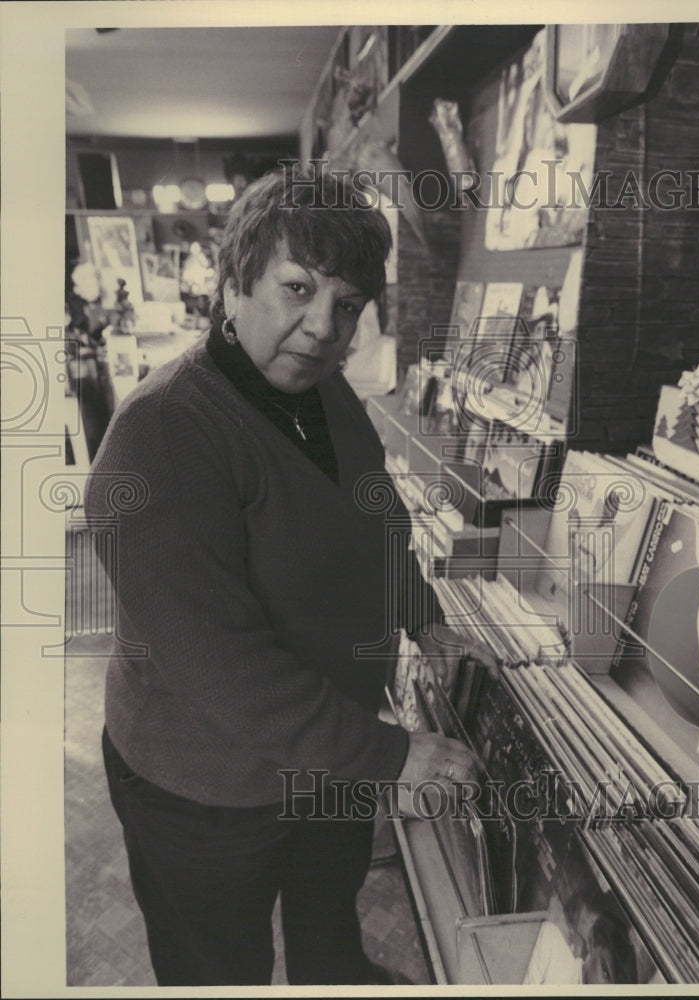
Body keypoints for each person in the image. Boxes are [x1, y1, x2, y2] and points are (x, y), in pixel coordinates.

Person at [85, 169, 495, 987]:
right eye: (297, 289)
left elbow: (374, 519)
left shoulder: (325, 394)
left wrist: (421, 614)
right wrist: (387, 755)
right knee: (215, 967)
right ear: (235, 283)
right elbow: (221, 668)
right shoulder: (162, 434)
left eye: (345, 305)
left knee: (327, 921)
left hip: (330, 751)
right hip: (204, 785)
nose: (321, 327)